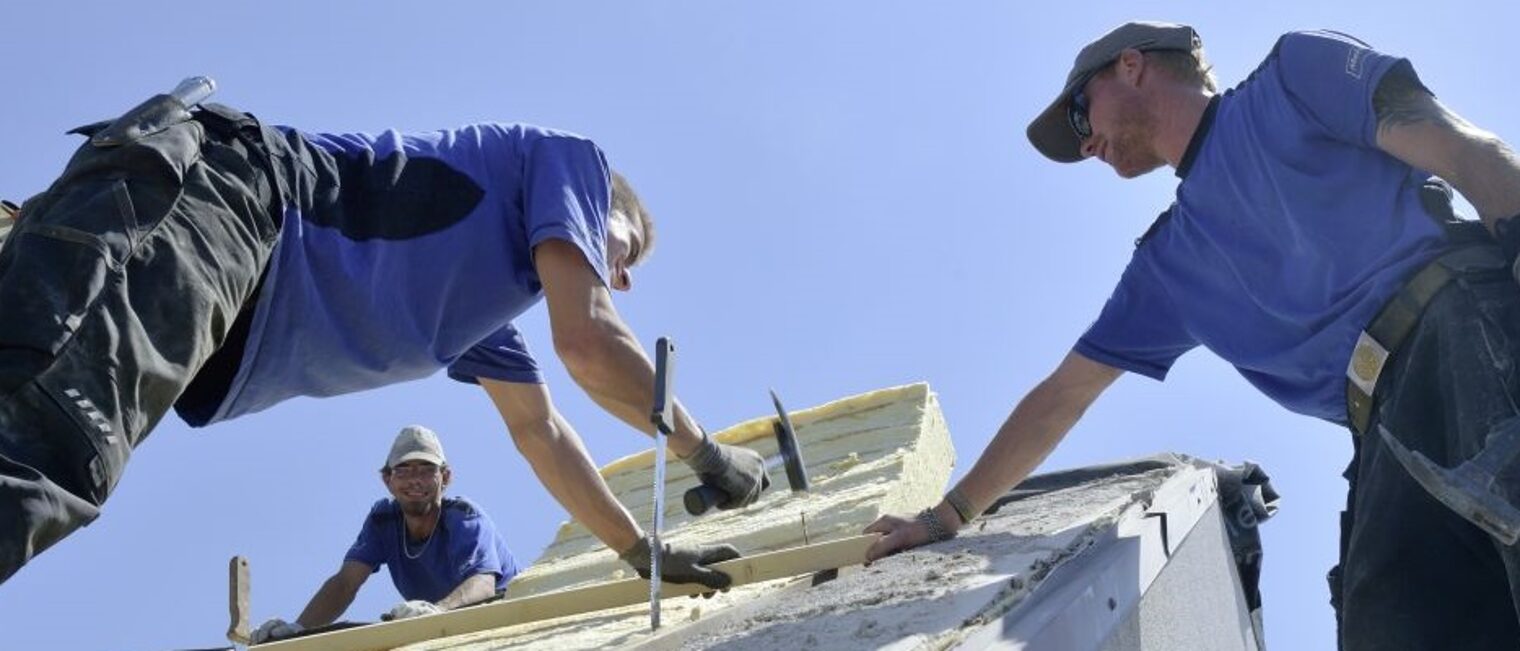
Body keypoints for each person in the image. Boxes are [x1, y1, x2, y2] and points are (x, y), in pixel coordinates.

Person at [865, 21, 1520, 649]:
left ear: (1132, 65)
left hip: (1462, 325)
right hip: (1385, 435)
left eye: (1079, 115)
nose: (1086, 144)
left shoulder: (1292, 82)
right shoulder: (1170, 267)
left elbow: (1463, 149)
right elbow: (1062, 396)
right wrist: (943, 517)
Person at [0, 90, 766, 590]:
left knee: (44, 448)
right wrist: (708, 455)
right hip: (219, 208)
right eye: (624, 250)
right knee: (46, 448)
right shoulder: (572, 159)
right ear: (603, 203)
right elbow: (591, 344)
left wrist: (639, 552)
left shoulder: (471, 312)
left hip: (204, 265)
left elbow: (541, 431)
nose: (619, 276)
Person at [252, 426, 518, 643]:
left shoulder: (463, 516)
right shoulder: (383, 521)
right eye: (403, 470)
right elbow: (346, 582)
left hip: (505, 622)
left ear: (445, 478)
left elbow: (483, 584)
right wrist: (297, 630)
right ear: (387, 480)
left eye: (427, 470)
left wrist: (439, 612)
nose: (415, 480)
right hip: (444, 632)